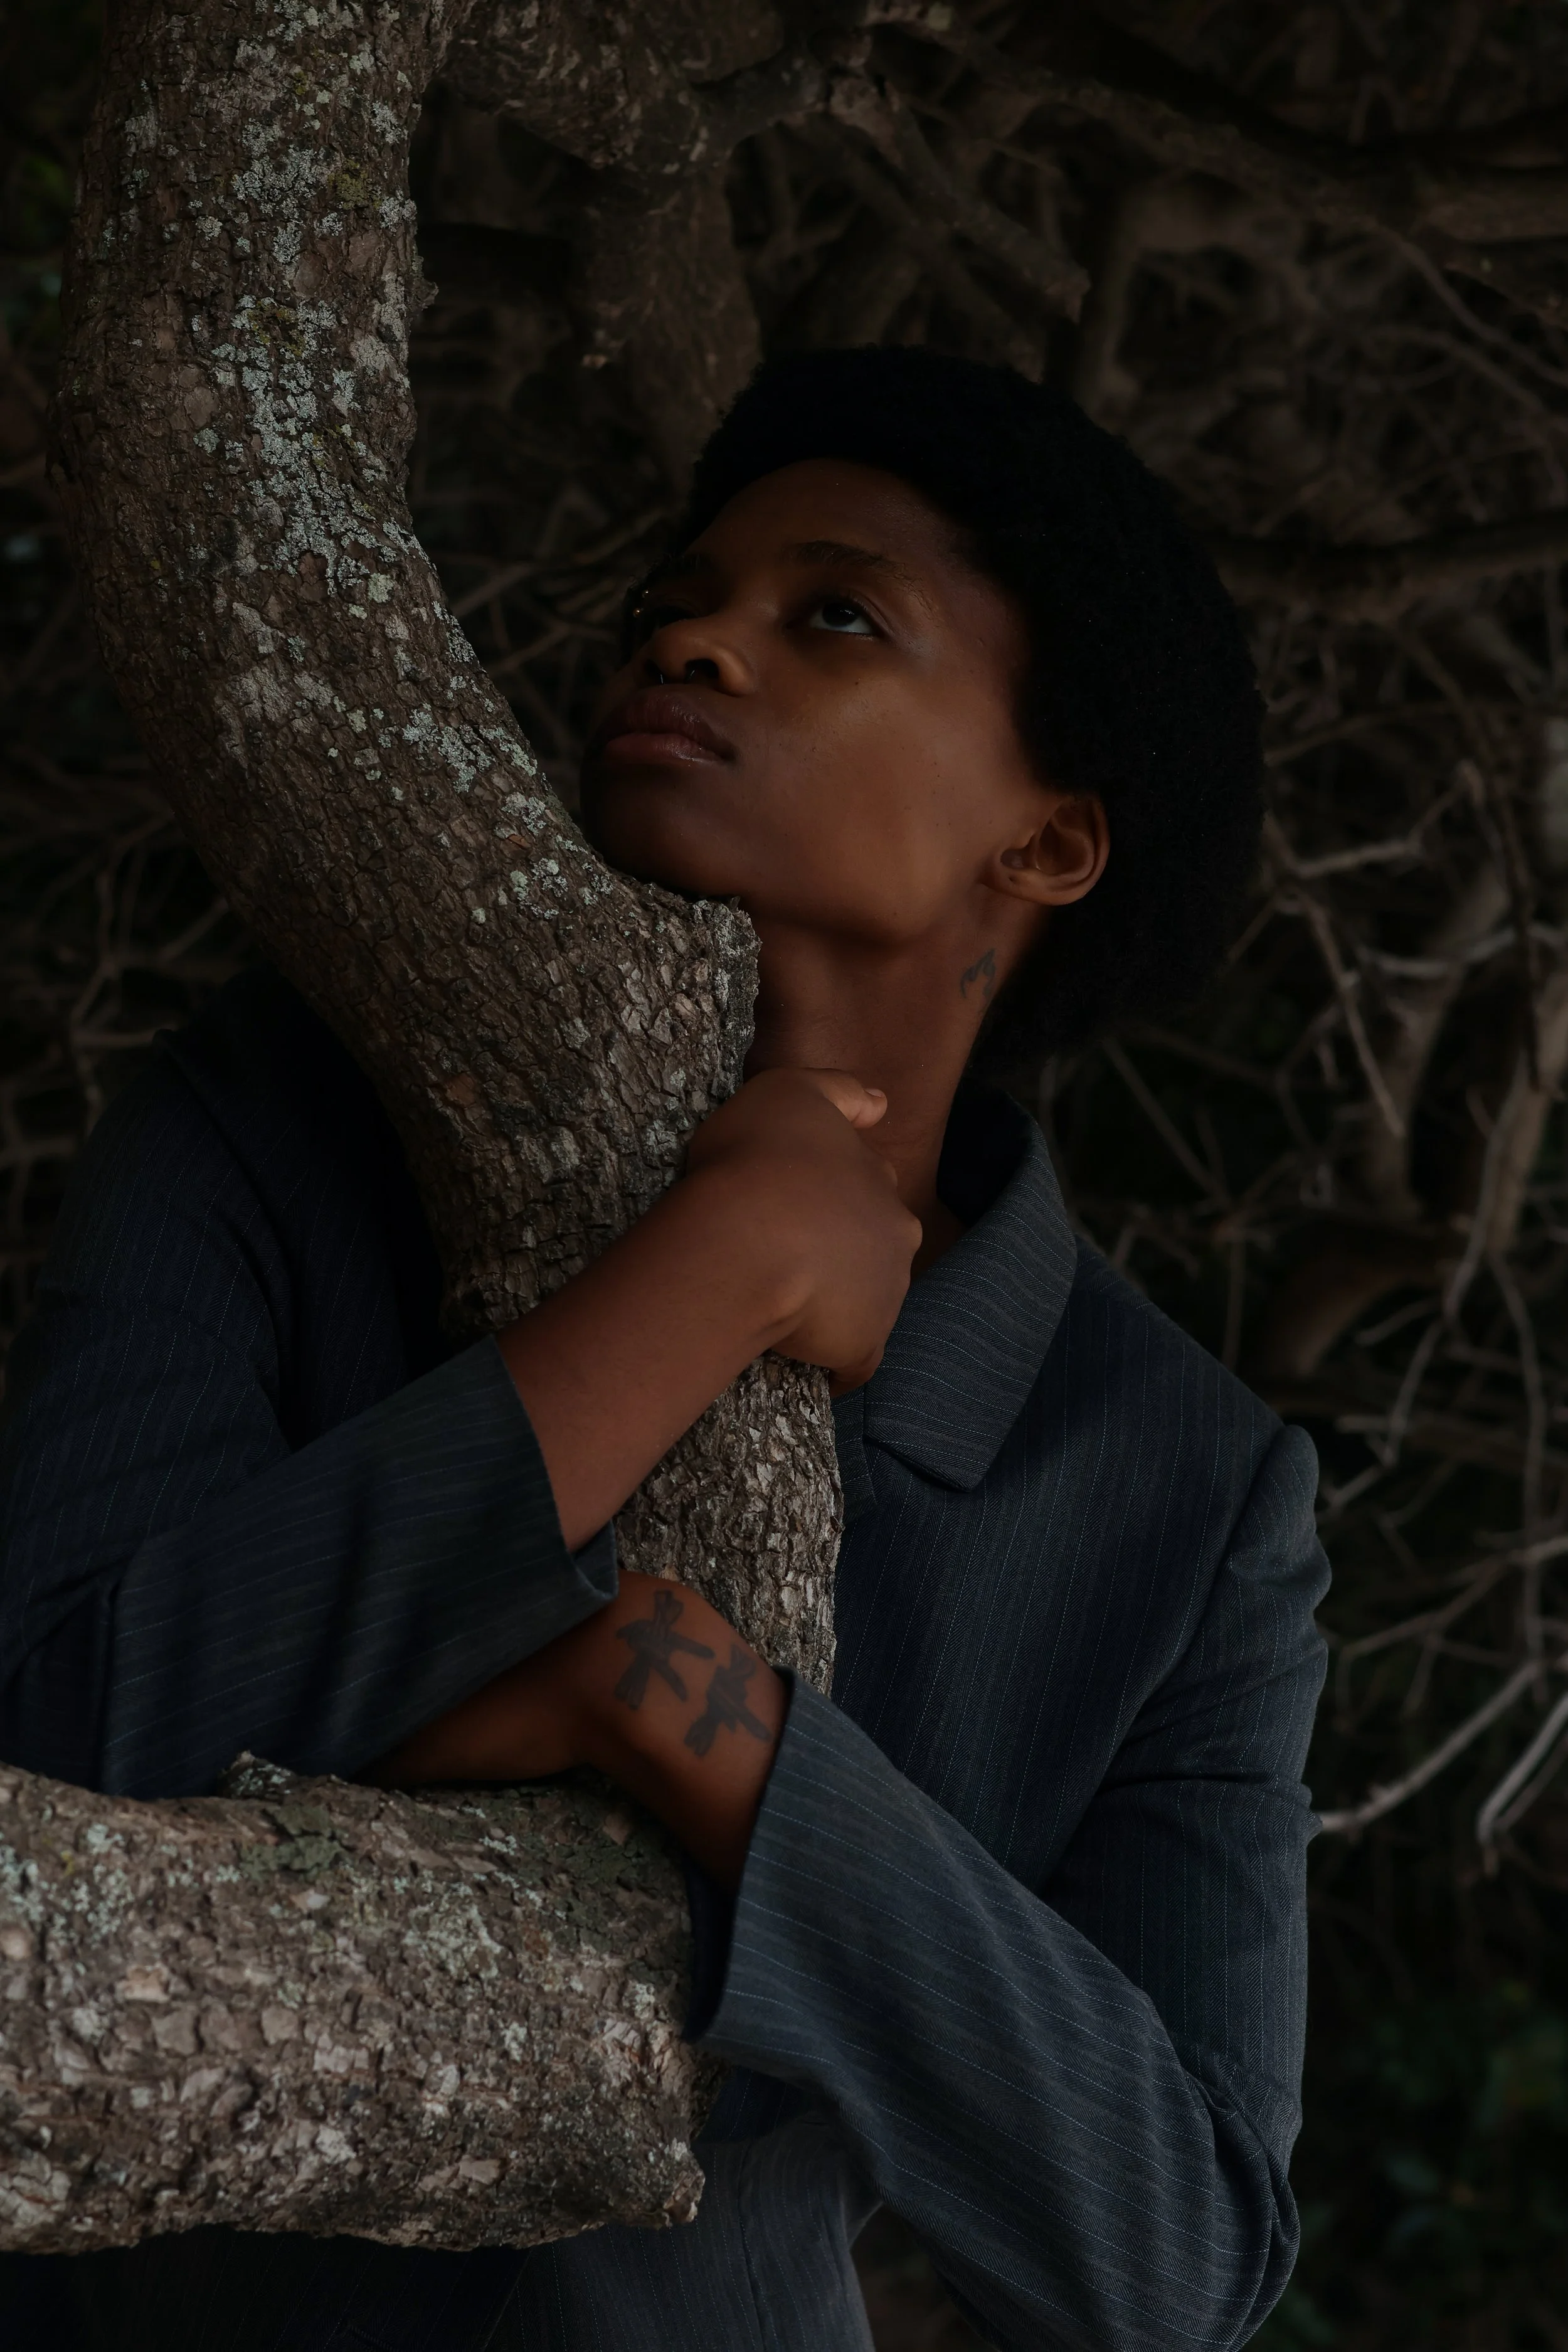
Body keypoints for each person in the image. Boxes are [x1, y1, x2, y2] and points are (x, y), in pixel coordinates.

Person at [0, 347, 1328, 2352]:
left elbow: (1176, 2259)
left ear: (1046, 843)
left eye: (834, 615)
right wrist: (709, 1271)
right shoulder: (265, 1127)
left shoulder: (1176, 1488)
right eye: (675, 601)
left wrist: (678, 1700)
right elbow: (55, 1730)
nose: (694, 639)